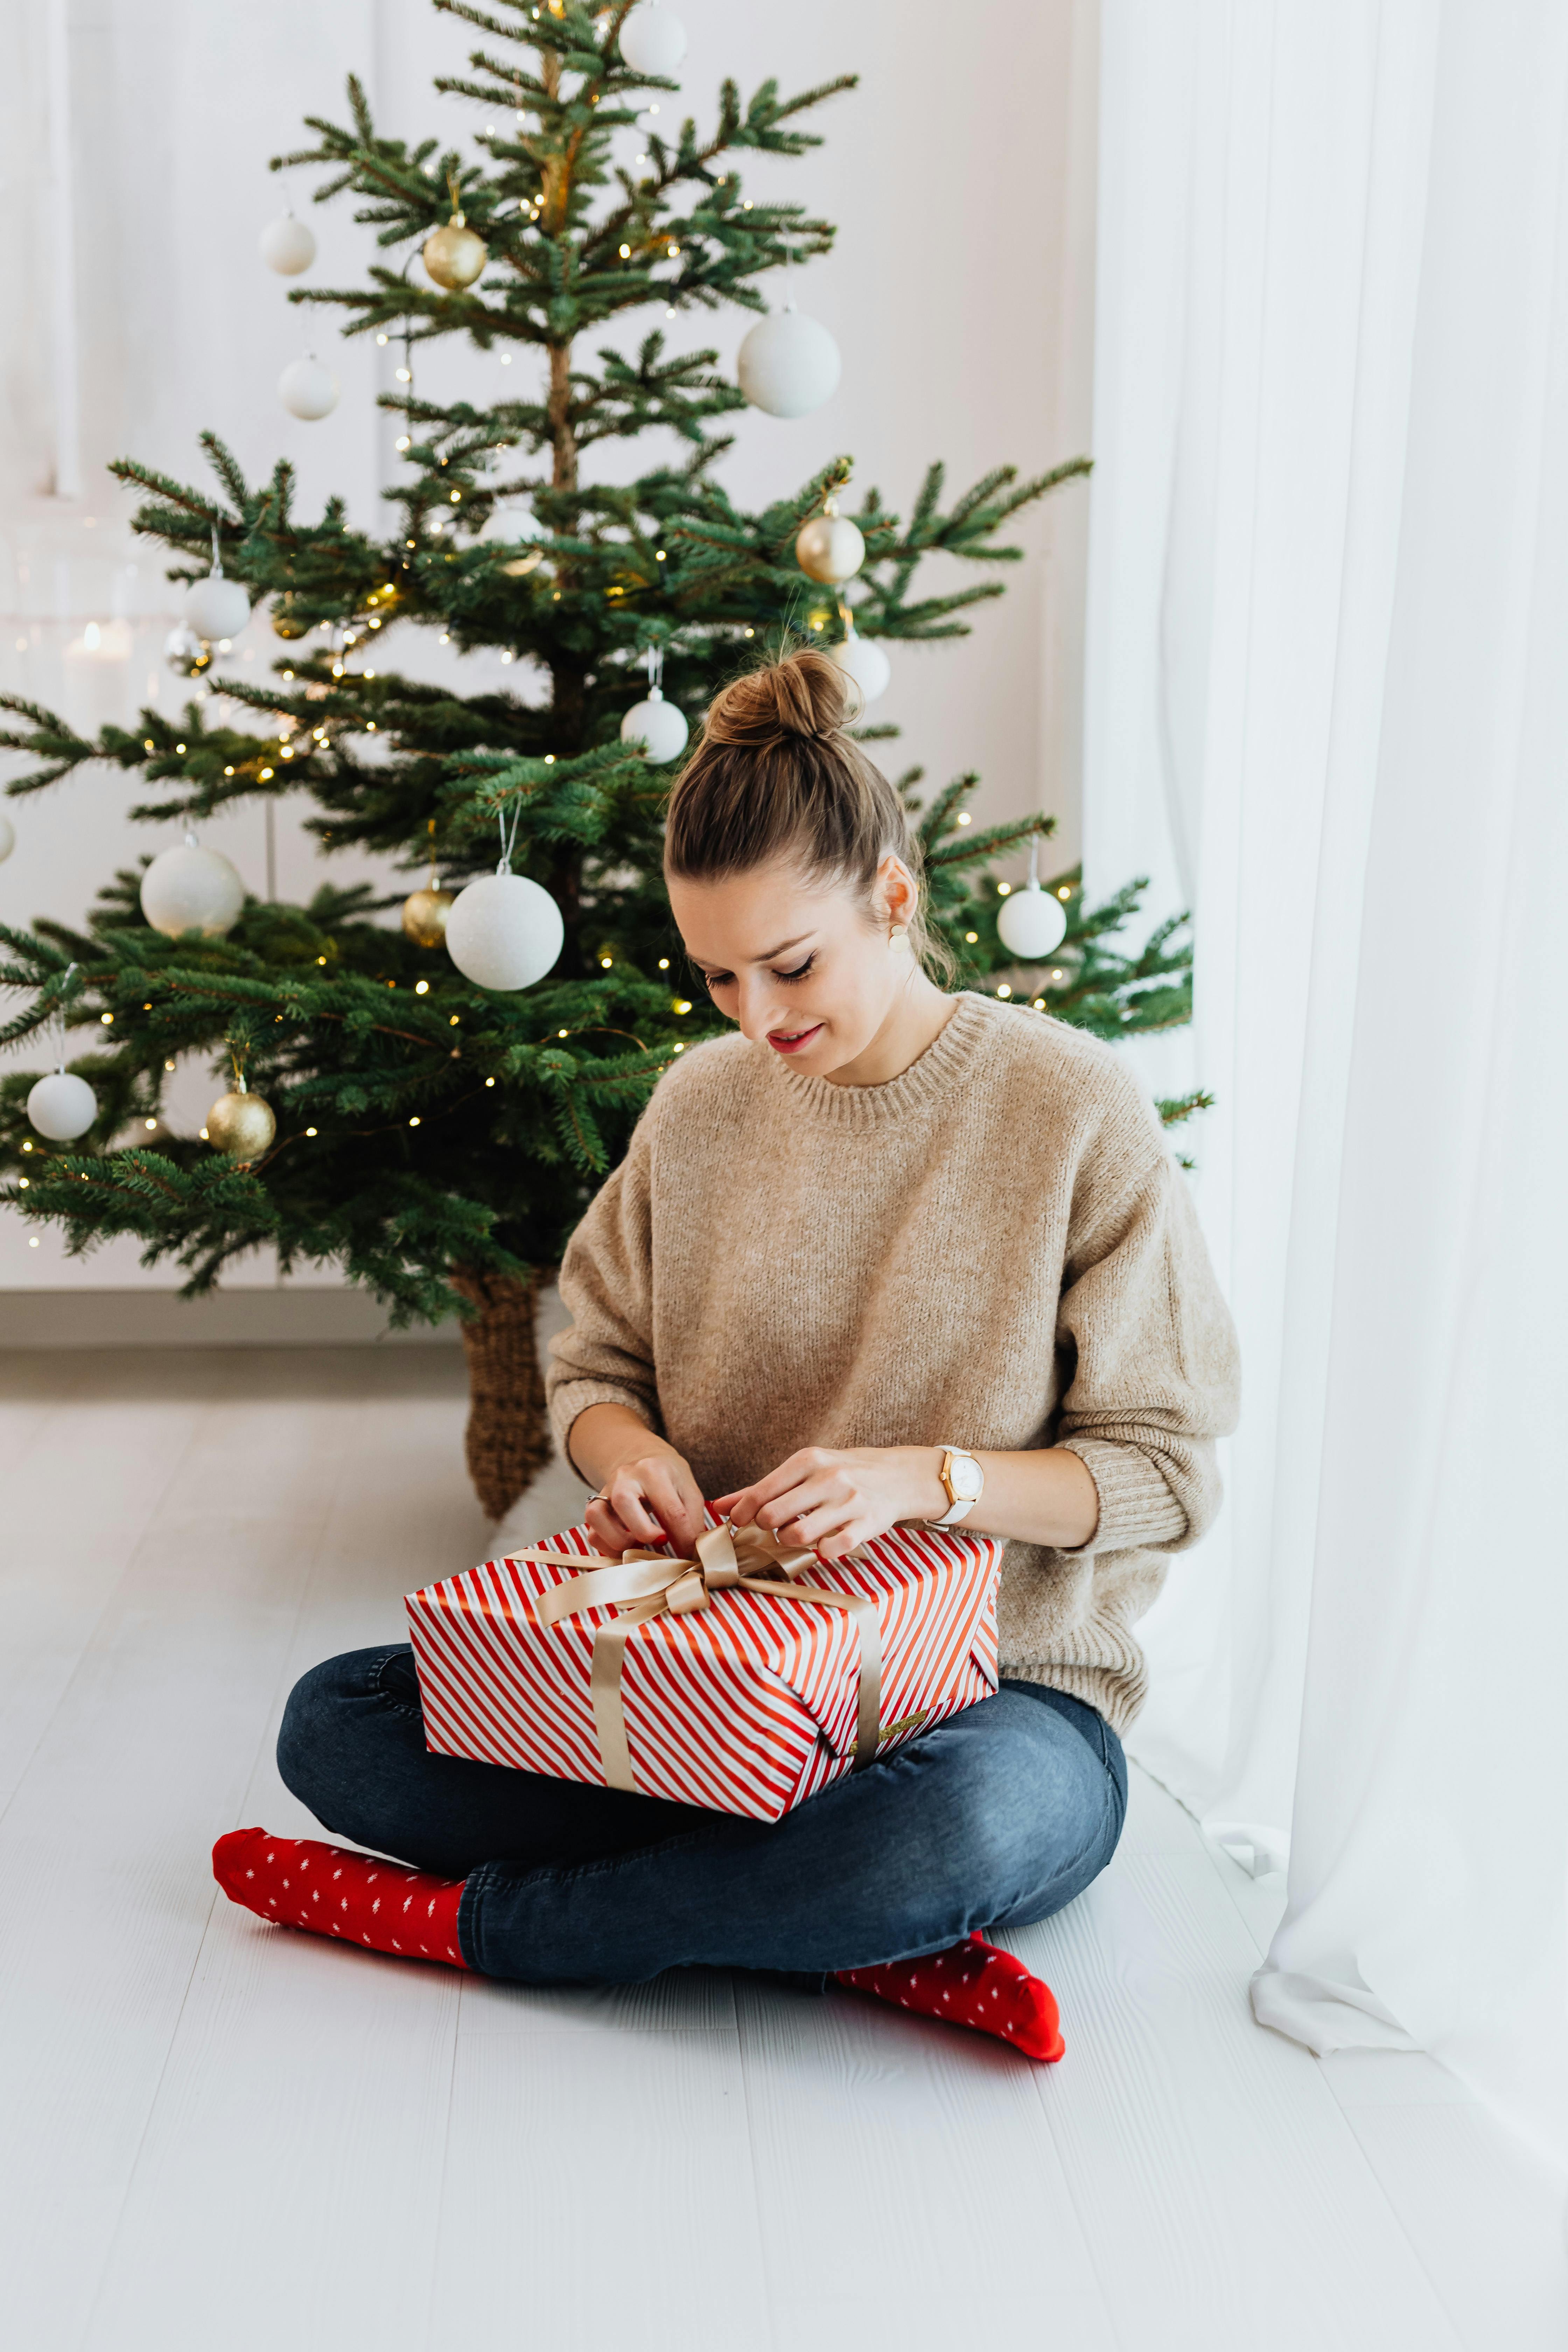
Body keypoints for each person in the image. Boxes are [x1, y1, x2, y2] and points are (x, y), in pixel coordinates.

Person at [215, 649, 1240, 2063]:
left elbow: (1163, 1475)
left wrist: (926, 1481)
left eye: (793, 964)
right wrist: (628, 1463)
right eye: (716, 976)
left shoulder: (1069, 1108)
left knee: (964, 1826)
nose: (758, 1019)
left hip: (988, 1701)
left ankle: (518, 1927)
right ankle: (829, 1931)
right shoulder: (700, 1107)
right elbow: (591, 1369)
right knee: (335, 1723)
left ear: (894, 895)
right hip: (700, 1679)